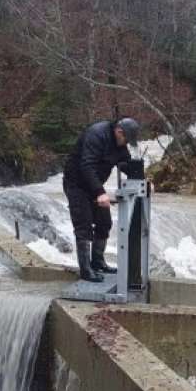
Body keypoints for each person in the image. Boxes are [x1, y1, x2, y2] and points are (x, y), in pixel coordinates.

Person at [63, 117, 140, 282]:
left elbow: (126, 163)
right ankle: (85, 270)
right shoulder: (97, 135)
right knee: (83, 225)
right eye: (126, 139)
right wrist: (100, 192)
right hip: (77, 183)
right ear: (119, 132)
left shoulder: (120, 144)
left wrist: (143, 180)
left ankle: (97, 262)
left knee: (104, 222)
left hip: (95, 184)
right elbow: (87, 165)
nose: (126, 143)